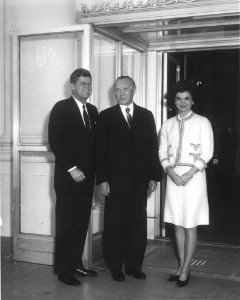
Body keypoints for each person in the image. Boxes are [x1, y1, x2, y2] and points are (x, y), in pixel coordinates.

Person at [96, 76, 161, 282]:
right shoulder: (105, 116)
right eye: (117, 90)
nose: (121, 93)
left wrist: (154, 176)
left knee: (137, 226)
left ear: (134, 89)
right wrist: (102, 179)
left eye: (125, 89)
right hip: (114, 183)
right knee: (114, 226)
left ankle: (134, 266)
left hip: (140, 182)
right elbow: (100, 151)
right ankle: (115, 267)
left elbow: (153, 147)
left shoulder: (146, 115)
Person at [159, 80, 214, 287]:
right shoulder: (167, 124)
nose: (182, 103)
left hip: (194, 178)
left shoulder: (203, 122)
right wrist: (169, 171)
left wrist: (189, 174)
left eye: (186, 99)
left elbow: (207, 152)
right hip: (173, 177)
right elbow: (162, 151)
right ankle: (182, 265)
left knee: (190, 223)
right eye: (178, 99)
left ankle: (186, 268)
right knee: (177, 223)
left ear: (193, 101)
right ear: (173, 101)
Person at [48, 68, 98, 286]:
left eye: (88, 84)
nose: (86, 88)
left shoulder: (94, 111)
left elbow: (96, 146)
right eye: (82, 84)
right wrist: (71, 168)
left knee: (80, 224)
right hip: (68, 179)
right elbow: (55, 141)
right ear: (72, 86)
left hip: (87, 180)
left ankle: (76, 264)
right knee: (66, 224)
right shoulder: (61, 108)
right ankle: (63, 270)